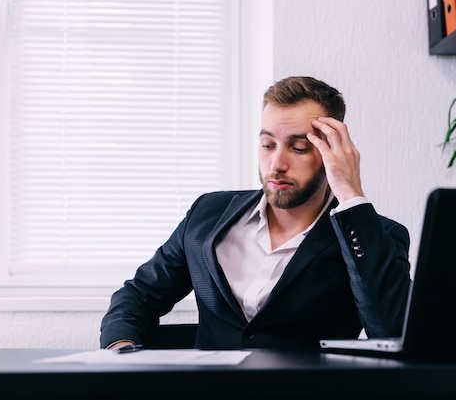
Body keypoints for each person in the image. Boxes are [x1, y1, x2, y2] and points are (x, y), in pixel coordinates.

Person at [100, 76, 411, 351]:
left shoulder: (373, 236)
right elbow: (138, 297)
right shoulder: (207, 214)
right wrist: (121, 350)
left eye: (299, 148)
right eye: (267, 144)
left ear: (331, 152)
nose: (276, 163)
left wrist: (350, 194)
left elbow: (391, 331)